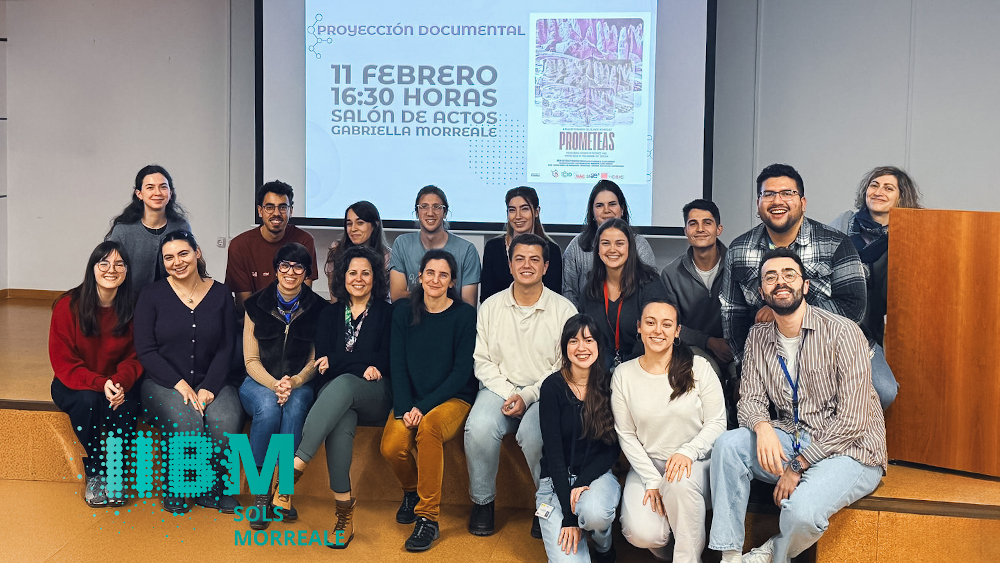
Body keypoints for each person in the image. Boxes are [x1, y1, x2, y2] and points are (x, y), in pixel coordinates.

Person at [708, 248, 886, 563]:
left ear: (805, 285)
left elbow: (854, 420)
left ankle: (771, 553)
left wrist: (797, 466)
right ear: (762, 292)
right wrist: (762, 426)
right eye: (771, 277)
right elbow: (750, 398)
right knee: (728, 446)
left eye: (789, 274)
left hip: (851, 450)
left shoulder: (844, 332)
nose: (780, 282)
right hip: (794, 435)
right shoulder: (758, 336)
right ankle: (730, 556)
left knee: (801, 513)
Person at [720, 164, 869, 393]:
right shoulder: (739, 250)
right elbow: (732, 314)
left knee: (884, 389)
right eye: (768, 194)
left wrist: (785, 312)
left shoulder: (835, 243)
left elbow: (853, 307)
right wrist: (747, 366)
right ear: (758, 204)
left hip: (832, 350)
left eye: (787, 193)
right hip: (767, 354)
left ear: (803, 202)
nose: (777, 201)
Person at [466, 233, 577, 539]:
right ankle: (483, 502)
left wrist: (527, 396)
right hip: (499, 389)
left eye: (534, 259)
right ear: (510, 265)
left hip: (546, 392)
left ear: (546, 267)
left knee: (534, 434)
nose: (527, 265)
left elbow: (563, 365)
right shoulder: (490, 307)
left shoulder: (564, 310)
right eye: (520, 259)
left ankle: (546, 502)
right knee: (478, 428)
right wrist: (511, 393)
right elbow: (482, 361)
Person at [134, 230, 243, 514]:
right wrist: (179, 383)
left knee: (225, 422)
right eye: (168, 257)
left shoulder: (221, 294)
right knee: (188, 424)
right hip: (163, 383)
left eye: (183, 253)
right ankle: (177, 485)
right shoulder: (151, 295)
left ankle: (213, 488)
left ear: (197, 252)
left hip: (213, 380)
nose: (177, 262)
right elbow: (146, 351)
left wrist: (209, 386)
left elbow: (227, 346)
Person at [293, 245, 393, 549]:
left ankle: (295, 467)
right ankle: (344, 514)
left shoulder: (388, 313)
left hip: (376, 395)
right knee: (340, 418)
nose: (358, 279)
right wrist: (360, 364)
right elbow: (323, 363)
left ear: (375, 278)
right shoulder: (329, 313)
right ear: (342, 277)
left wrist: (340, 361)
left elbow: (385, 359)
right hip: (338, 395)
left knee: (346, 383)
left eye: (366, 273)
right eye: (352, 273)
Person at [612, 299, 726, 562]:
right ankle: (672, 552)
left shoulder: (700, 367)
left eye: (666, 324)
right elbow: (626, 434)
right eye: (650, 323)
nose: (657, 331)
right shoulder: (623, 375)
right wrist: (652, 480)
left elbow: (718, 422)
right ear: (639, 327)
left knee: (678, 481)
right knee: (642, 533)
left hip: (696, 464)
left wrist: (688, 452)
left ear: (677, 331)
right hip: (648, 465)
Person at [380, 250, 479, 552]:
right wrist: (406, 407)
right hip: (411, 398)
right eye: (430, 273)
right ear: (420, 277)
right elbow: (397, 365)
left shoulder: (464, 315)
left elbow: (461, 373)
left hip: (453, 398)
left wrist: (422, 409)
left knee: (429, 429)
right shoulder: (402, 312)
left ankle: (428, 518)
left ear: (452, 282)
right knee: (391, 447)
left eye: (443, 275)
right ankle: (412, 491)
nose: (436, 280)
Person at [49, 241, 142, 508]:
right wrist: (101, 384)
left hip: (119, 382)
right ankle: (96, 471)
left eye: (119, 264)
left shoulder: (135, 306)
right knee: (88, 401)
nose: (111, 269)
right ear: (92, 268)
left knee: (126, 404)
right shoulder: (68, 305)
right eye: (104, 263)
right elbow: (64, 362)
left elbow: (137, 355)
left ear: (127, 271)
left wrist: (119, 383)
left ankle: (116, 471)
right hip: (76, 382)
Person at [238, 242, 325, 529]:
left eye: (299, 266)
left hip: (299, 383)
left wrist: (295, 381)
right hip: (258, 381)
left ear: (307, 273)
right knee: (268, 407)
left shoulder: (319, 308)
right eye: (284, 265)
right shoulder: (255, 305)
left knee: (296, 406)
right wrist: (276, 384)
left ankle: (283, 491)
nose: (291, 272)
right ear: (276, 270)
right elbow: (250, 360)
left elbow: (313, 359)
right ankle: (261, 493)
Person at [829, 166, 922, 409]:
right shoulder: (845, 223)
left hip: (870, 332)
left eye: (888, 188)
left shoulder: (909, 236)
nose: (878, 191)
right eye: (874, 185)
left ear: (901, 197)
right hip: (832, 324)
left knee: (885, 391)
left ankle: (855, 426)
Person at [536, 314, 621, 563]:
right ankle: (575, 527)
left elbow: (611, 449)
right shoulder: (552, 387)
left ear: (599, 346)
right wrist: (569, 517)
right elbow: (554, 455)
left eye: (588, 340)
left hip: (595, 477)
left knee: (595, 513)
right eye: (574, 341)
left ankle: (604, 546)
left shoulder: (609, 384)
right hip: (555, 484)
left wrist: (582, 482)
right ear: (565, 347)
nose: (581, 347)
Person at [661, 199, 736, 423]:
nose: (700, 229)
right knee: (704, 378)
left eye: (707, 223)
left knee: (744, 385)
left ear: (719, 229)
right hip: (696, 348)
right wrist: (708, 342)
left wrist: (733, 345)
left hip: (737, 346)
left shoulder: (737, 264)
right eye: (693, 223)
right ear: (686, 231)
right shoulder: (671, 274)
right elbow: (671, 325)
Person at [579, 219, 667, 368]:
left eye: (619, 243)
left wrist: (625, 370)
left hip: (644, 364)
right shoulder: (590, 289)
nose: (612, 249)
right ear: (598, 249)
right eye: (605, 243)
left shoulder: (649, 283)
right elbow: (586, 336)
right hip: (600, 367)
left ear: (630, 248)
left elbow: (657, 334)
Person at [225, 180, 318, 319]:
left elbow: (304, 294)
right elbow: (244, 304)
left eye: (282, 207)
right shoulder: (239, 245)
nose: (276, 213)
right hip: (254, 321)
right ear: (260, 211)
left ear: (291, 211)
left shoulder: (304, 241)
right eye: (269, 207)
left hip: (294, 321)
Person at [562, 180, 656, 307]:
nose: (606, 210)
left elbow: (651, 290)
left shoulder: (640, 245)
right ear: (592, 212)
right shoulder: (576, 246)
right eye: (599, 205)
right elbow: (569, 292)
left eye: (612, 204)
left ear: (622, 209)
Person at [106, 164, 191, 295]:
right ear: (139, 194)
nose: (157, 193)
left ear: (170, 193)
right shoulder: (123, 231)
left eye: (163, 187)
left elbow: (191, 267)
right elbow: (110, 271)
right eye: (150, 187)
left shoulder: (181, 226)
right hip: (131, 302)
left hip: (174, 300)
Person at [389, 185, 481, 305]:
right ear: (417, 213)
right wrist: (435, 295)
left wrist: (430, 297)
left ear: (445, 213)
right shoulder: (402, 244)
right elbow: (397, 297)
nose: (430, 213)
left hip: (452, 316)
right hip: (413, 314)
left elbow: (469, 305)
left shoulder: (467, 250)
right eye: (424, 207)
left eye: (437, 207)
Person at [480, 186, 563, 302]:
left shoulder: (552, 250)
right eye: (512, 210)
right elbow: (486, 297)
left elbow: (553, 296)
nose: (518, 216)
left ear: (536, 212)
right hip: (500, 311)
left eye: (524, 209)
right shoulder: (493, 248)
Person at [323, 200, 391, 301]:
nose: (353, 229)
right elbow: (334, 296)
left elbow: (384, 295)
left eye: (360, 223)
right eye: (349, 224)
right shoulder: (337, 250)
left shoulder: (385, 255)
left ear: (374, 225)